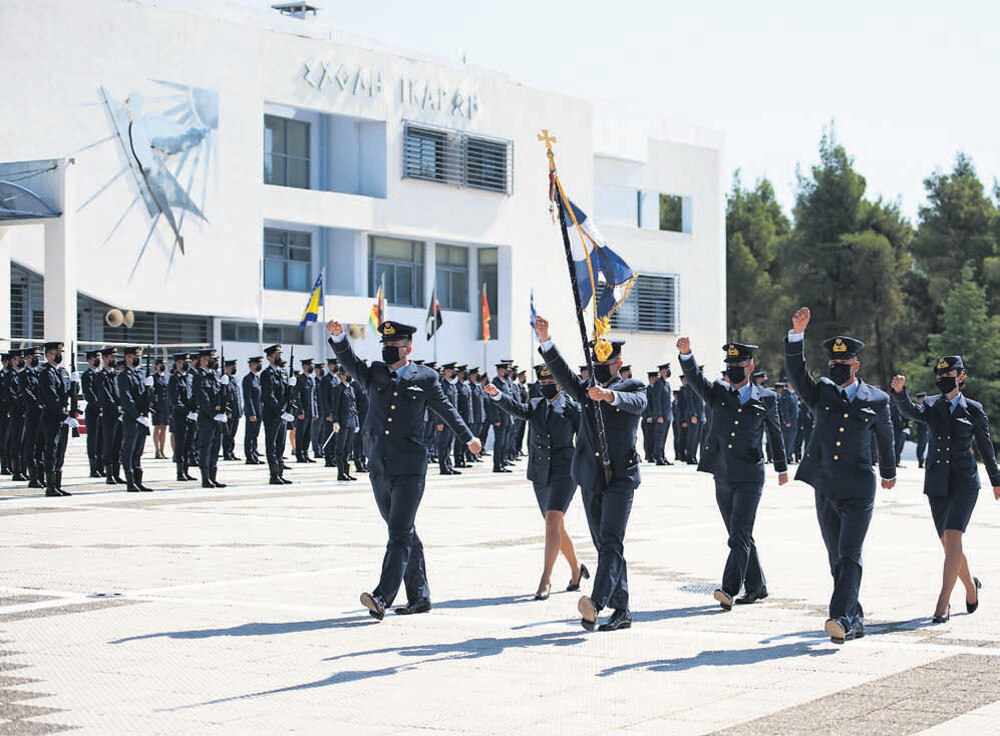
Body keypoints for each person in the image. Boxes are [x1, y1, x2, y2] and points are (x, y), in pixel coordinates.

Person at [327, 318, 482, 621]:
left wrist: (468, 438)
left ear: (407, 347)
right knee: (404, 531)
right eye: (384, 345)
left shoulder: (425, 377)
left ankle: (382, 596)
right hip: (379, 465)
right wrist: (339, 337)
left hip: (410, 467)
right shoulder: (374, 373)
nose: (387, 350)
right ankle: (420, 596)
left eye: (393, 346)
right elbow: (349, 361)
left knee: (398, 533)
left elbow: (446, 409)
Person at [784, 306, 896, 644]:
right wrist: (797, 334)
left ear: (856, 366)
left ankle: (840, 618)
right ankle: (855, 618)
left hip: (859, 487)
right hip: (825, 485)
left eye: (843, 365)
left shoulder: (876, 398)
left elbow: (886, 438)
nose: (837, 369)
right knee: (836, 557)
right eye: (833, 365)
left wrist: (889, 472)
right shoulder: (820, 392)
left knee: (849, 553)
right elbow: (796, 372)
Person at [536, 315, 646, 632]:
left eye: (606, 362)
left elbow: (636, 402)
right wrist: (546, 340)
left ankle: (595, 603)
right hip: (590, 476)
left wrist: (609, 396)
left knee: (611, 542)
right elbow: (563, 374)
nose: (599, 367)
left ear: (618, 362)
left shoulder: (632, 385)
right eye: (595, 362)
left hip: (621, 478)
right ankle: (622, 609)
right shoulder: (586, 389)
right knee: (606, 546)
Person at [677, 339, 789, 609]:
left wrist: (782, 467)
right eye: (729, 365)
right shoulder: (718, 392)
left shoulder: (767, 397)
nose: (733, 369)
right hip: (723, 473)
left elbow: (775, 432)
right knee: (740, 533)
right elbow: (694, 378)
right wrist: (686, 355)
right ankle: (756, 586)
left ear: (750, 367)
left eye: (738, 364)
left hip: (750, 474)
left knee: (738, 534)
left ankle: (728, 589)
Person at [891, 357, 1000, 623]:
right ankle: (971, 587)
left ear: (961, 377)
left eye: (948, 373)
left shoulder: (973, 409)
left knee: (953, 536)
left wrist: (996, 480)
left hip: (964, 482)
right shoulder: (930, 405)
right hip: (937, 483)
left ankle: (943, 603)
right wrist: (900, 393)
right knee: (948, 543)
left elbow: (986, 448)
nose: (943, 378)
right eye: (939, 373)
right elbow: (910, 412)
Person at [485, 363, 589, 600]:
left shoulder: (573, 408)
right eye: (542, 384)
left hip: (565, 472)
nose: (545, 388)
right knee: (557, 526)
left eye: (550, 383)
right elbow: (517, 408)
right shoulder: (536, 405)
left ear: (560, 384)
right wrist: (497, 395)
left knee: (552, 521)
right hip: (541, 473)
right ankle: (576, 569)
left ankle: (546, 579)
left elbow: (585, 438)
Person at [38, 342, 75, 497]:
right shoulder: (45, 373)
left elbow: (69, 394)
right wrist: (64, 417)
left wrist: (75, 383)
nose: (59, 355)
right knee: (51, 450)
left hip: (62, 417)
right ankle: (50, 486)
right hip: (51, 417)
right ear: (48, 355)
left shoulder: (63, 372)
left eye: (61, 352)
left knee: (60, 450)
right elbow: (51, 398)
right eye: (56, 353)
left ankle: (58, 485)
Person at [117, 346, 154, 492]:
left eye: (138, 356)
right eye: (134, 356)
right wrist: (137, 416)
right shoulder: (123, 376)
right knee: (129, 450)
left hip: (142, 417)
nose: (137, 359)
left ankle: (139, 481)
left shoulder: (140, 374)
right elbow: (126, 399)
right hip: (132, 418)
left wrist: (150, 388)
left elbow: (145, 398)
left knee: (138, 450)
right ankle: (130, 482)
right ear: (127, 358)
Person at [191, 348, 227, 489]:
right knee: (206, 447)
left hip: (218, 417)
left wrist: (225, 386)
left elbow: (221, 397)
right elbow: (202, 399)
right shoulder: (198, 377)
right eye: (208, 359)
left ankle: (213, 477)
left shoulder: (215, 375)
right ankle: (205, 479)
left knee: (216, 448)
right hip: (207, 418)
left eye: (212, 359)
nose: (211, 361)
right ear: (201, 360)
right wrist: (213, 414)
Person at [260, 345, 295, 485]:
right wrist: (280, 412)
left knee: (281, 444)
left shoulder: (284, 373)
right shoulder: (266, 374)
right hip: (272, 414)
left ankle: (280, 473)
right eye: (276, 355)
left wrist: (292, 386)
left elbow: (287, 395)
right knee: (272, 444)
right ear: (269, 358)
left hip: (283, 414)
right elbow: (269, 396)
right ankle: (273, 475)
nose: (279, 357)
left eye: (280, 354)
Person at [167, 352, 196, 482]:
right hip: (180, 416)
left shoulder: (189, 377)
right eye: (184, 362)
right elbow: (175, 400)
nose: (186, 365)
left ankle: (186, 470)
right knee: (180, 444)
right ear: (178, 363)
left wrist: (194, 410)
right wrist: (186, 411)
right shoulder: (174, 379)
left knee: (189, 444)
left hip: (191, 416)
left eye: (188, 362)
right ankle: (180, 472)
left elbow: (192, 396)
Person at [97, 347, 124, 484]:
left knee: (118, 445)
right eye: (110, 357)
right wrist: (117, 411)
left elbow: (122, 394)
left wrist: (123, 409)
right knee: (109, 444)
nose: (113, 359)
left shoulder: (118, 375)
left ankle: (117, 473)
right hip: (109, 415)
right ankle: (109, 474)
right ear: (104, 359)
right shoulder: (101, 376)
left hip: (120, 415)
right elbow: (106, 397)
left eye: (114, 357)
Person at [331, 365, 359, 481]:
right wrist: (336, 421)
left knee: (348, 448)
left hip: (351, 422)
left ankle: (347, 472)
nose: (349, 376)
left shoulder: (351, 388)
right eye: (347, 374)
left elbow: (354, 406)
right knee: (340, 448)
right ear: (342, 375)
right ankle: (341, 473)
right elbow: (335, 407)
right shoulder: (338, 389)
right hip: (342, 423)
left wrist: (356, 422)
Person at [80, 349, 104, 477]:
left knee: (102, 440)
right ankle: (93, 468)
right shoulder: (87, 375)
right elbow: (89, 394)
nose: (98, 361)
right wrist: (98, 407)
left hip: (103, 411)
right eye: (95, 359)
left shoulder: (101, 374)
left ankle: (101, 467)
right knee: (93, 440)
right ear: (89, 360)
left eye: (98, 358)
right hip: (93, 411)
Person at [436, 362, 460, 475]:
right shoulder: (442, 385)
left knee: (449, 443)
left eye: (454, 371)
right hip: (444, 420)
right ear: (445, 371)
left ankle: (448, 465)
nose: (453, 373)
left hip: (452, 420)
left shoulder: (452, 385)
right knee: (443, 443)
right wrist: (439, 421)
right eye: (451, 371)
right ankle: (443, 467)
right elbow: (437, 405)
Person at [295, 359, 318, 463]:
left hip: (310, 411)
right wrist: (300, 411)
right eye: (309, 365)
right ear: (304, 367)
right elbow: (297, 396)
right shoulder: (300, 379)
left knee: (308, 434)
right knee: (301, 434)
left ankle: (305, 453)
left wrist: (315, 411)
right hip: (303, 412)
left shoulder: (311, 379)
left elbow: (314, 397)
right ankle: (299, 455)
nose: (311, 367)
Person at [242, 356, 263, 465]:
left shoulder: (257, 378)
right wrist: (251, 412)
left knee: (255, 435)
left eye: (259, 364)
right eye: (256, 364)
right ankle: (249, 456)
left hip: (259, 411)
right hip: (252, 412)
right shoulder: (248, 379)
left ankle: (254, 454)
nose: (258, 366)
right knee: (250, 435)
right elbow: (248, 397)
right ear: (251, 366)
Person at [221, 359, 242, 461]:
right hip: (229, 412)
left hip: (236, 411)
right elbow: (225, 396)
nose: (234, 368)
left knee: (233, 433)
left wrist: (240, 410)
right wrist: (227, 410)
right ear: (226, 368)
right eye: (232, 367)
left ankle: (231, 451)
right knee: (227, 434)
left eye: (235, 367)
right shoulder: (224, 379)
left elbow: (238, 396)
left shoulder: (233, 379)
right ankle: (226, 453)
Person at [654, 363, 673, 465]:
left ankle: (662, 455)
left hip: (667, 415)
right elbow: (656, 400)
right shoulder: (658, 383)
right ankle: (658, 457)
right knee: (659, 437)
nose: (668, 371)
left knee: (664, 437)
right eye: (666, 370)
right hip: (661, 416)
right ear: (662, 371)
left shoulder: (666, 384)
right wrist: (659, 415)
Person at [152, 358, 170, 459]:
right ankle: (157, 450)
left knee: (164, 428)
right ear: (156, 366)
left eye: (164, 364)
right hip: (157, 405)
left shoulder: (167, 378)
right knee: (157, 427)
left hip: (166, 405)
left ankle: (162, 450)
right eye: (160, 364)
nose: (162, 366)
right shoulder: (153, 377)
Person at [914, 392, 929, 468]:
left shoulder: (927, 407)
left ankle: (923, 460)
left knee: (924, 445)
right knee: (921, 445)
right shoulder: (917, 407)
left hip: (927, 429)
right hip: (921, 429)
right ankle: (920, 461)